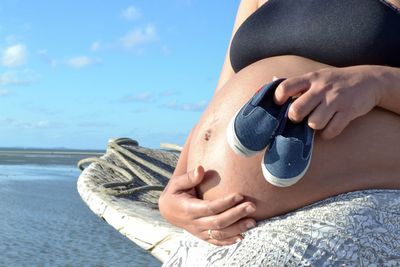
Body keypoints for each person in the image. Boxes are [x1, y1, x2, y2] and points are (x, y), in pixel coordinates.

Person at [159, 0, 400, 265]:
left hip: (352, 203)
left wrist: (379, 82)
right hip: (219, 228)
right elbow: (219, 99)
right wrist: (174, 191)